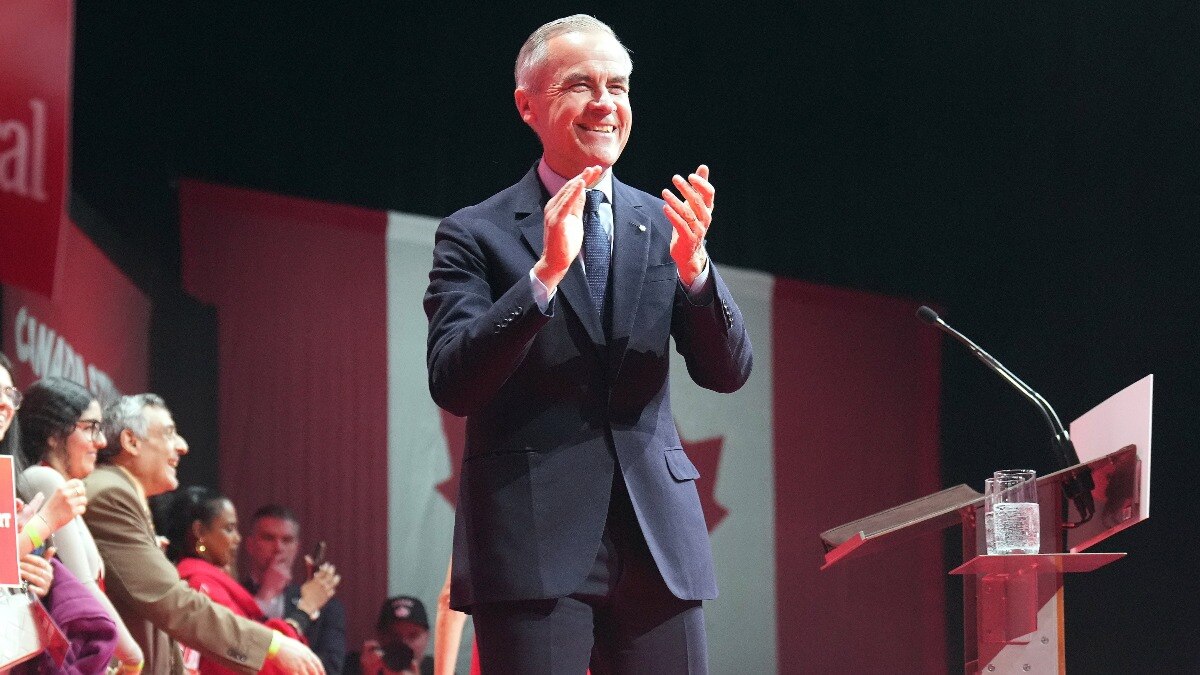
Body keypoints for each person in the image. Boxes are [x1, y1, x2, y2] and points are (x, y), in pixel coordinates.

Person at [423, 14, 753, 673]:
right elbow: (453, 380)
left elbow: (728, 371)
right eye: (580, 84)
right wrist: (543, 275)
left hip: (659, 540)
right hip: (530, 540)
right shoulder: (474, 233)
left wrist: (697, 274)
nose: (605, 103)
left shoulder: (665, 223)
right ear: (528, 104)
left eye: (619, 86)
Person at [83, 393, 324, 674]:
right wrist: (272, 644)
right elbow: (170, 603)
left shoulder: (123, 496)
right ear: (131, 441)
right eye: (169, 433)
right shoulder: (111, 494)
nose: (182, 446)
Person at [16, 376, 146, 672]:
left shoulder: (57, 482)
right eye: (90, 429)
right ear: (53, 434)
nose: (100, 441)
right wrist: (134, 657)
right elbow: (84, 582)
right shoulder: (44, 479)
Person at [156, 486, 341, 674]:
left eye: (287, 540)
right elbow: (249, 663)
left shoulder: (211, 581)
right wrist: (304, 610)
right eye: (229, 529)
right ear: (200, 532)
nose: (237, 539)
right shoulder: (199, 584)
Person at [241, 505, 347, 675]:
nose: (278, 548)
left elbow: (330, 668)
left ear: (297, 547)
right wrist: (266, 594)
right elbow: (240, 650)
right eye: (268, 538)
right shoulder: (231, 593)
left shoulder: (325, 606)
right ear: (251, 545)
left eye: (287, 540)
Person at [345, 596, 433, 675]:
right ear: (379, 637)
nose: (404, 643)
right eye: (395, 636)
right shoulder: (352, 666)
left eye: (413, 636)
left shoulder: (439, 669)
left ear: (427, 637)